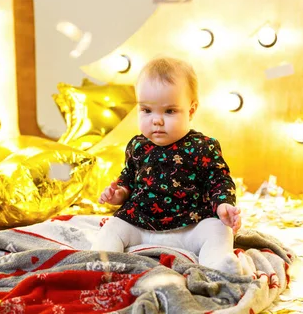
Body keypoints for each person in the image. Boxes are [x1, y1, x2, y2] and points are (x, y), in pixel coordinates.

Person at [91, 56, 242, 274]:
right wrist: (120, 193)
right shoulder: (137, 145)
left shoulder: (202, 146)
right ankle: (100, 266)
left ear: (190, 111)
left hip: (189, 225)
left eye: (169, 111)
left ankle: (218, 269)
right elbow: (128, 177)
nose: (157, 120)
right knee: (113, 226)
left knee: (219, 229)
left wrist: (223, 205)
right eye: (146, 110)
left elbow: (219, 180)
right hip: (141, 223)